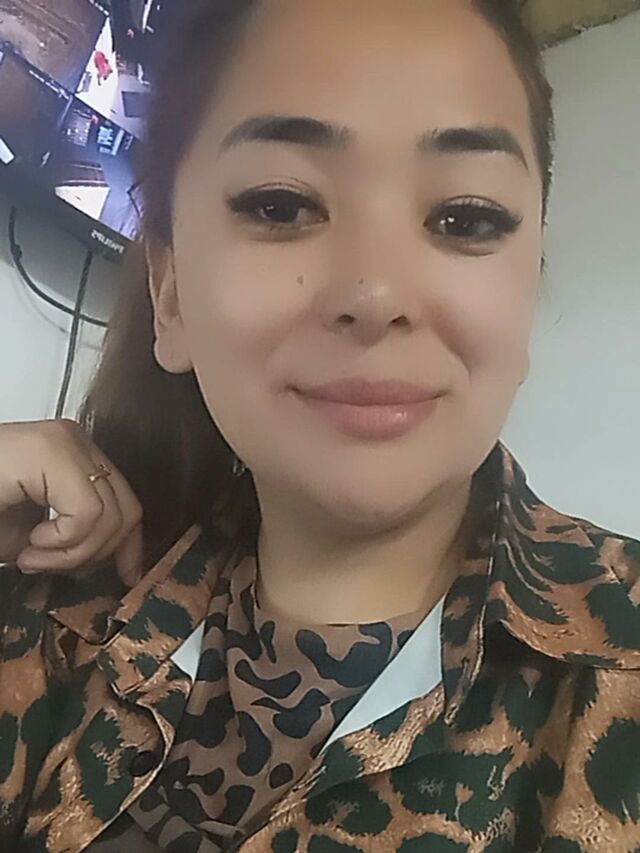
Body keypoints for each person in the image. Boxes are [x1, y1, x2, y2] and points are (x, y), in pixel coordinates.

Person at [0, 1, 638, 851]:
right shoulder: (49, 625)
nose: (375, 295)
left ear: (526, 287)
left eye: (465, 218)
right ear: (171, 292)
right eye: (281, 205)